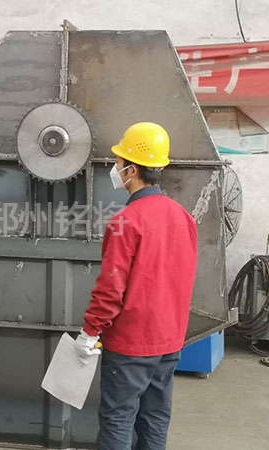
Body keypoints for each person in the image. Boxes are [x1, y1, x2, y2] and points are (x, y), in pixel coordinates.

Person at [74, 122, 198, 450]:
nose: (114, 169)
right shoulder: (183, 217)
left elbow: (110, 290)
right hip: (169, 339)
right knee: (155, 416)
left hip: (131, 342)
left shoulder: (124, 223)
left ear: (132, 170)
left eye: (118, 163)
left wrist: (90, 332)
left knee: (118, 417)